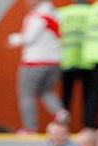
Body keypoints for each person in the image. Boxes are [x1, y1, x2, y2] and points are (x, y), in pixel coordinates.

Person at [9, 0, 65, 134]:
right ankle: (60, 112)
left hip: (34, 61)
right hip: (54, 61)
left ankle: (30, 128)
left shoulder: (36, 16)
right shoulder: (55, 13)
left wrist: (13, 39)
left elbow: (28, 38)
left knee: (27, 94)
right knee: (47, 91)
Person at [56, 0, 92, 113]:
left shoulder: (62, 13)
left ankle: (63, 122)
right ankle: (88, 122)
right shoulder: (93, 12)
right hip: (88, 61)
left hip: (67, 60)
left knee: (65, 97)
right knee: (89, 99)